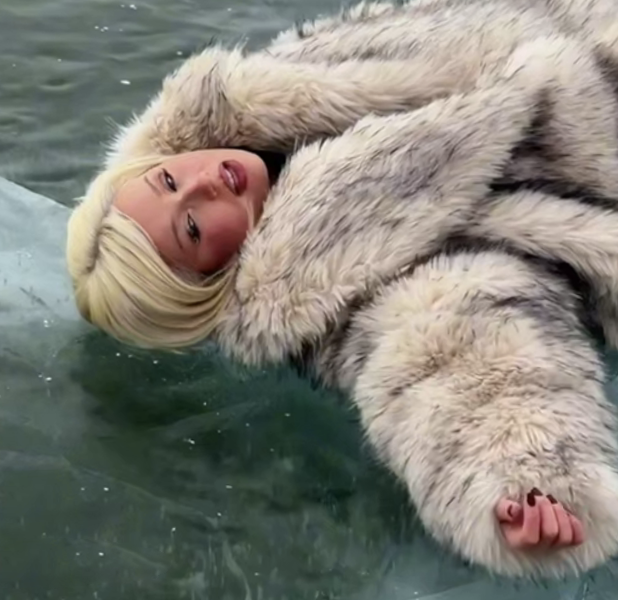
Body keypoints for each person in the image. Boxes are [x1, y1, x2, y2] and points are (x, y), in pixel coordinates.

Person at [67, 1, 618, 580]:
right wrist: (522, 478)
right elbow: (448, 349)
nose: (203, 182)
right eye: (192, 227)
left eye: (168, 178)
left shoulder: (264, 95)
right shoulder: (335, 294)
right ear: (209, 283)